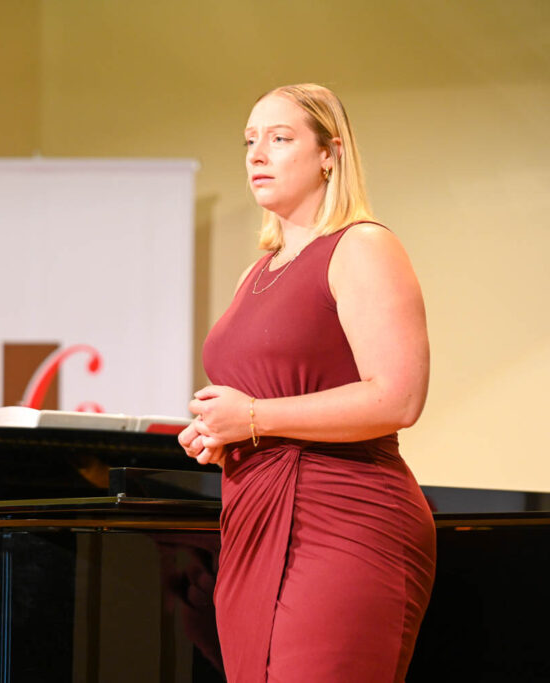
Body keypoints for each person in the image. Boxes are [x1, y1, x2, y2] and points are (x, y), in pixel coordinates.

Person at [178, 83, 436, 682]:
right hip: (251, 518)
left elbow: (398, 396)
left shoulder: (363, 246)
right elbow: (265, 397)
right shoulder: (255, 273)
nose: (256, 154)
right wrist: (221, 433)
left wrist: (253, 417)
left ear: (329, 154)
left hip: (342, 519)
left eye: (280, 138)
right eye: (249, 141)